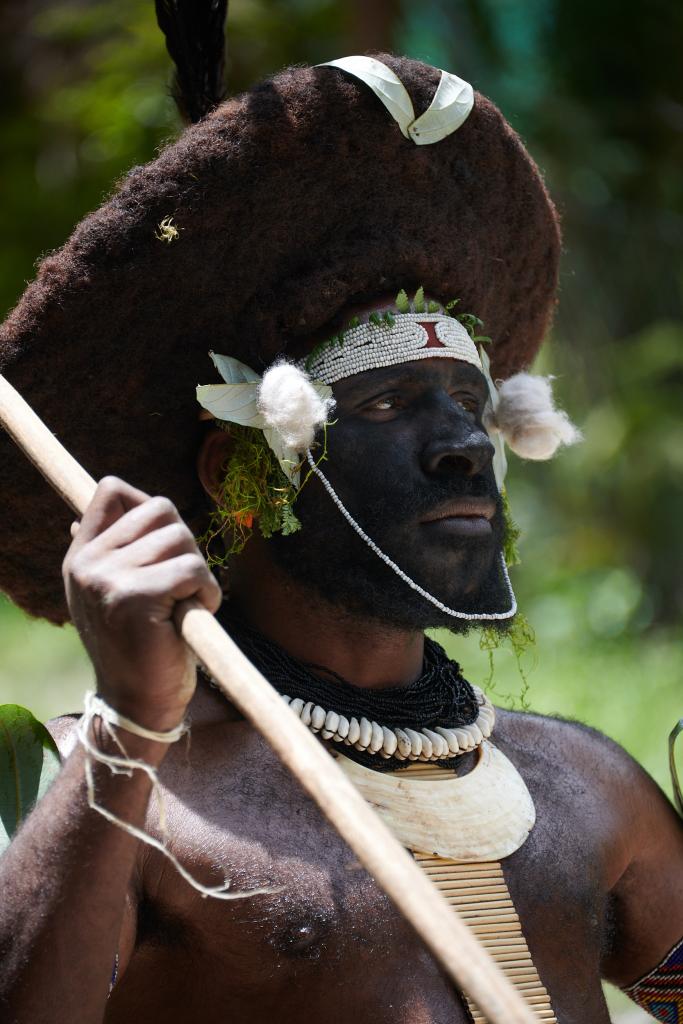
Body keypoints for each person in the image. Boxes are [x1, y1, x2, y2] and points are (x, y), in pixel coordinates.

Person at [0, 25, 681, 1024]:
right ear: (242, 474)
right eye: (385, 405)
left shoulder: (584, 785)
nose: (464, 447)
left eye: (469, 403)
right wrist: (130, 722)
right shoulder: (126, 796)